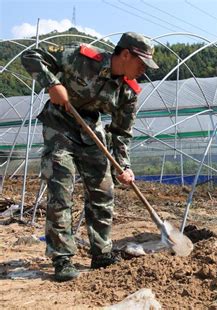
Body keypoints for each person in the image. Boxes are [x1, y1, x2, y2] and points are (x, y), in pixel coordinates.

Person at [21, 32, 159, 281]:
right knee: (61, 188)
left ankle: (101, 252)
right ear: (125, 54)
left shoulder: (129, 91)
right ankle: (62, 257)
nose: (143, 71)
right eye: (141, 64)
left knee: (103, 191)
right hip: (59, 125)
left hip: (90, 131)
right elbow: (31, 55)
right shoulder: (82, 58)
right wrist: (52, 84)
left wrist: (124, 166)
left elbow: (121, 133)